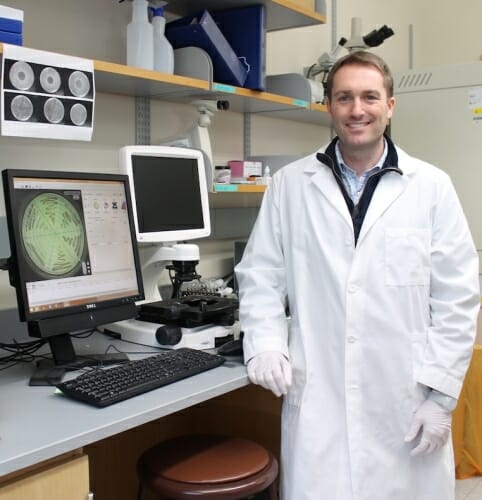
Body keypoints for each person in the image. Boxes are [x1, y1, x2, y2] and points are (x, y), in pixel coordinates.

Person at [235, 51, 480, 500]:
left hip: (405, 402)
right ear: (328, 106)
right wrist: (265, 343)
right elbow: (261, 275)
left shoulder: (431, 187)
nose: (357, 109)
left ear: (390, 105)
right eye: (344, 97)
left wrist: (441, 398)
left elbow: (458, 298)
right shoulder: (291, 185)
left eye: (370, 96)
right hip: (319, 402)